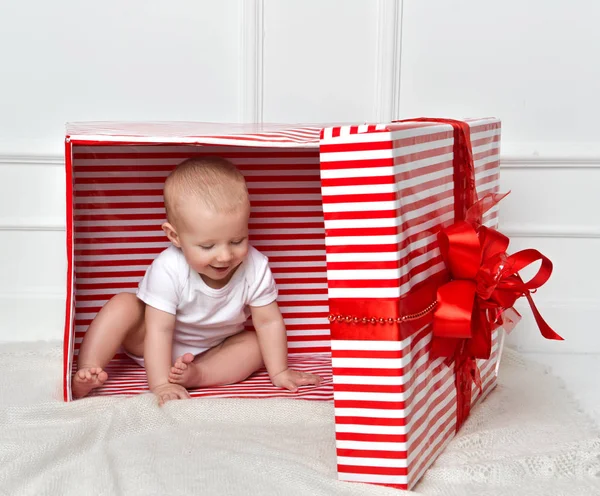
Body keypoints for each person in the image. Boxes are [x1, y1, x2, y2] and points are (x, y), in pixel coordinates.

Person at [72, 156, 322, 404]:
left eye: (237, 241)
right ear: (175, 236)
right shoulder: (169, 268)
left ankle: (197, 375)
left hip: (214, 349)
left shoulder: (255, 267)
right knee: (123, 304)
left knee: (256, 345)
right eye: (207, 246)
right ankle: (88, 370)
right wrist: (161, 383)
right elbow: (160, 328)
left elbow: (268, 322)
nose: (225, 256)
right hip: (150, 342)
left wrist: (279, 371)